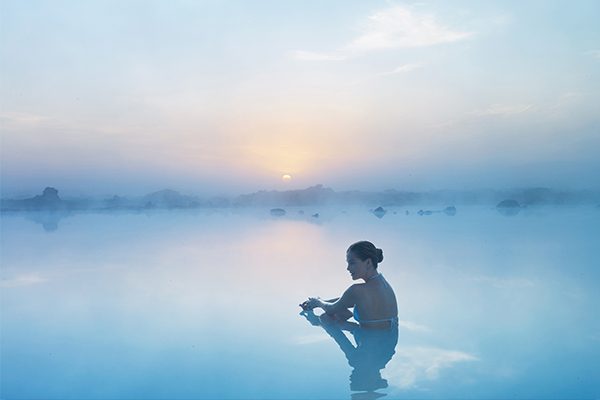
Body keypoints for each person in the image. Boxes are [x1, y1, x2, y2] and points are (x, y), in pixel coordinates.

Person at [300, 241, 398, 331]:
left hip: (366, 344)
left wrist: (318, 302)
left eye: (352, 263)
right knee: (340, 309)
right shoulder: (385, 285)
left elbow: (331, 310)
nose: (348, 268)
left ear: (368, 262)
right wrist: (315, 303)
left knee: (325, 318)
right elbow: (346, 300)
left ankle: (321, 323)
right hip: (387, 341)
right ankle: (342, 315)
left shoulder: (357, 290)